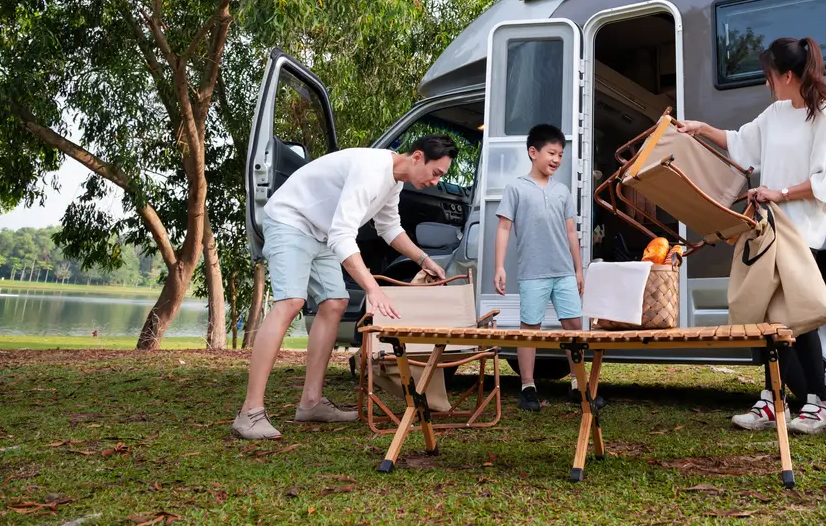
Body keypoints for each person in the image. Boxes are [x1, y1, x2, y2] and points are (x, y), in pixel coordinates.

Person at [232, 136, 456, 440]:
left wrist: (423, 259)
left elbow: (389, 228)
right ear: (417, 156)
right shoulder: (371, 170)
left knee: (335, 302)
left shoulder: (394, 181)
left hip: (320, 231)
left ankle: (311, 403)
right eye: (436, 173)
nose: (436, 181)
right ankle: (250, 412)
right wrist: (372, 288)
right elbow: (342, 235)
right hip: (289, 220)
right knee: (291, 302)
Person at [676, 37, 826, 435]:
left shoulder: (823, 118)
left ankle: (819, 404)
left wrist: (778, 192)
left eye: (770, 75)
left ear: (787, 75)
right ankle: (774, 401)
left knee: (795, 319)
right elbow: (740, 142)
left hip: (799, 232)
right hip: (767, 228)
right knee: (762, 316)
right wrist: (699, 128)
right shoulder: (775, 113)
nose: (767, 82)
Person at [493, 124, 585, 411]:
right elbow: (504, 228)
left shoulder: (562, 190)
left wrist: (578, 269)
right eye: (551, 153)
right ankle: (527, 386)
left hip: (564, 272)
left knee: (574, 325)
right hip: (532, 271)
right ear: (533, 152)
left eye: (560, 154)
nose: (557, 159)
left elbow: (571, 232)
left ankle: (578, 383)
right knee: (529, 327)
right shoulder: (516, 188)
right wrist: (499, 267)